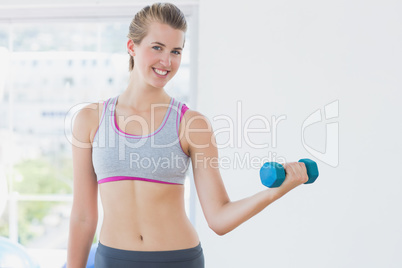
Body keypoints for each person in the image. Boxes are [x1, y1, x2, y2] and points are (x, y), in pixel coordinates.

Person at [66, 2, 309, 268]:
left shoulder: (192, 124)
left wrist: (274, 192)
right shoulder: (90, 119)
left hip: (178, 260)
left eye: (176, 51)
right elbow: (82, 216)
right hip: (113, 259)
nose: (166, 61)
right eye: (157, 47)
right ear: (132, 47)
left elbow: (219, 218)